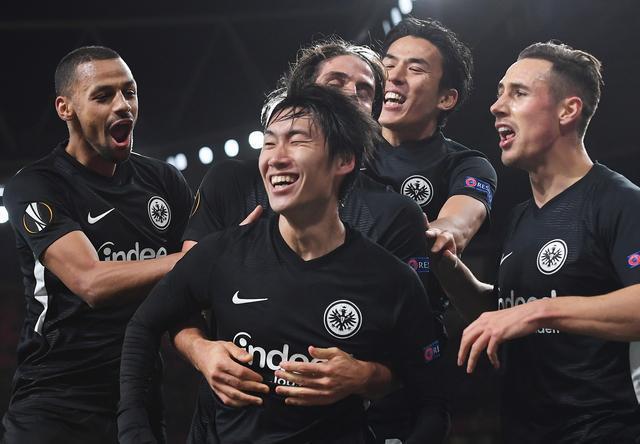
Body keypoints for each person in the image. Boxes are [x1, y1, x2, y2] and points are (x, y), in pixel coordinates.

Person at [118, 85, 447, 444]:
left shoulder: (391, 280)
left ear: (343, 160)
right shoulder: (224, 251)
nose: (275, 158)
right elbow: (143, 325)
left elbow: (432, 405)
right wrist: (134, 431)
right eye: (269, 143)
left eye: (297, 141)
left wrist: (367, 377)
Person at [431, 41, 640, 442]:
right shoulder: (521, 217)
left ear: (567, 111)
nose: (496, 106)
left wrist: (539, 312)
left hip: (604, 430)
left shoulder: (619, 201)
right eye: (499, 93)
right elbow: (504, 312)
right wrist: (447, 267)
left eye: (518, 93)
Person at [0, 46, 193, 444]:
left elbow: (192, 289)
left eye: (130, 92)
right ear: (65, 108)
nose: (123, 105)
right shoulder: (36, 185)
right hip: (55, 400)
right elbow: (91, 283)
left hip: (139, 399)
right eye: (103, 96)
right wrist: (195, 258)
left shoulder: (164, 182)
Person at [363, 17, 497, 442]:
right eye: (388, 63)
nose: (394, 75)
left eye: (415, 68)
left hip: (409, 353)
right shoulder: (341, 152)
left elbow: (456, 224)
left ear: (446, 98)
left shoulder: (465, 164)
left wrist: (439, 231)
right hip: (319, 335)